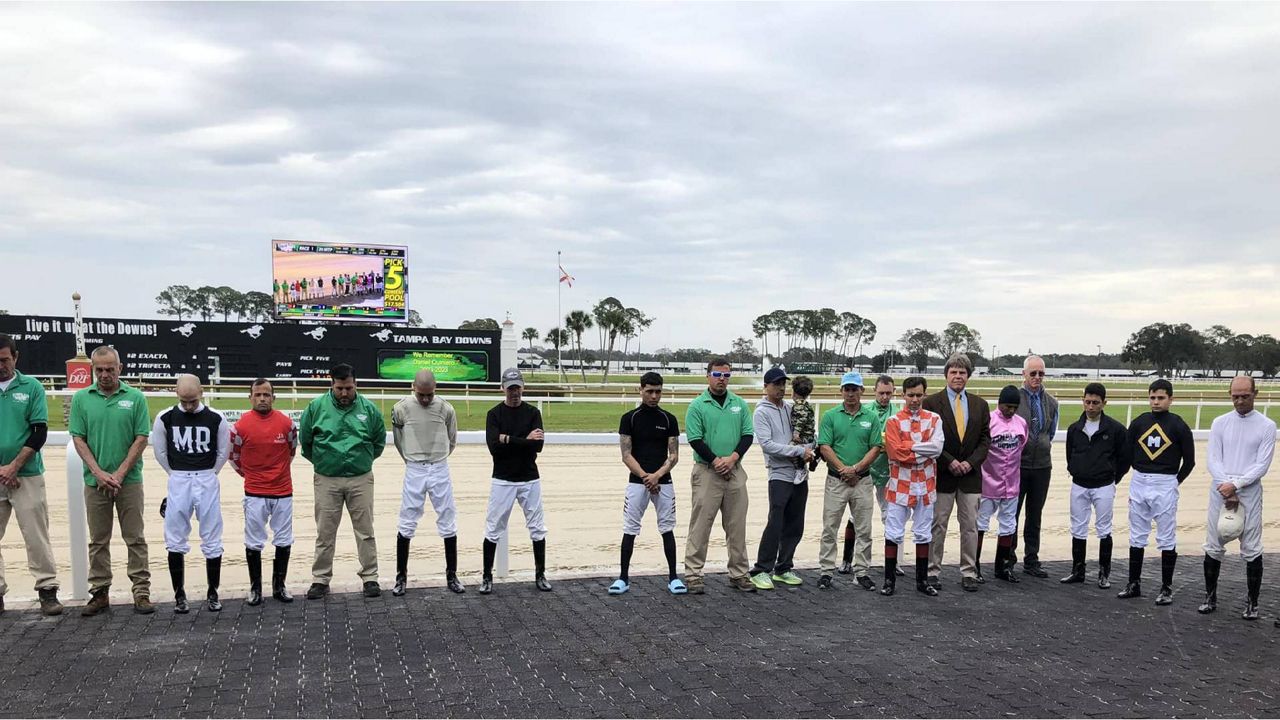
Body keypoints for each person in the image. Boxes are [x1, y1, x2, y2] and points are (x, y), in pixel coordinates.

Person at [70, 346, 154, 615]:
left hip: (128, 482)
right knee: (98, 540)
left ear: (120, 368)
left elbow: (141, 437)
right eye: (99, 370)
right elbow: (78, 438)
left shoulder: (136, 397)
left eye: (109, 369)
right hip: (95, 483)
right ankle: (100, 592)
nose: (105, 374)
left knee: (135, 538)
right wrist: (98, 472)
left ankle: (141, 591)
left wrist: (118, 474)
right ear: (93, 369)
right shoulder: (82, 399)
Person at [300, 363, 386, 600]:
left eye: (348, 388)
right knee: (325, 532)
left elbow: (378, 441)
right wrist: (324, 462)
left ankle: (370, 577)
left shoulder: (368, 409)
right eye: (339, 388)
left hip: (360, 478)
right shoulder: (316, 407)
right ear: (332, 384)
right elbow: (305, 442)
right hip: (327, 479)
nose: (345, 393)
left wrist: (362, 460)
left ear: (355, 384)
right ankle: (320, 579)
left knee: (365, 531)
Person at [152, 375, 231, 613]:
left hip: (207, 477)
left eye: (193, 401)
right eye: (184, 401)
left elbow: (223, 452)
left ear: (202, 392)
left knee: (212, 534)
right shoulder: (164, 418)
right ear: (176, 393)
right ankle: (180, 596)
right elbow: (160, 452)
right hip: (178, 478)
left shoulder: (217, 418)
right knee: (174, 536)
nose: (188, 406)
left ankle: (213, 593)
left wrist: (208, 474)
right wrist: (175, 474)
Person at [1201, 376, 1275, 620]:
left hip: (1249, 489)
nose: (1240, 400)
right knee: (1213, 544)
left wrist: (1236, 485)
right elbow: (1213, 458)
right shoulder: (1220, 422)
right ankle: (1210, 597)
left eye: (1245, 396)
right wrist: (1226, 486)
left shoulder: (1266, 426)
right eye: (1235, 396)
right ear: (1229, 394)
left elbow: (1262, 464)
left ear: (1256, 393)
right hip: (1220, 488)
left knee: (1252, 548)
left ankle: (1252, 604)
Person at [0, 334, 62, 616]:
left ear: (15, 357)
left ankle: (47, 590)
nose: (0, 365)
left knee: (36, 536)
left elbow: (39, 432)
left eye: (4, 360)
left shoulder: (32, 387)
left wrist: (13, 466)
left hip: (27, 475)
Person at [1119, 379, 1195, 605]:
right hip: (1139, 481)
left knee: (1166, 536)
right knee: (1137, 534)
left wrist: (1173, 482)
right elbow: (1127, 452)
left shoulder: (1179, 425)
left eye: (1161, 398)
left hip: (1166, 483)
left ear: (1171, 399)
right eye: (1152, 397)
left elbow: (1189, 462)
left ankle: (1166, 588)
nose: (1156, 402)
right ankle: (1134, 583)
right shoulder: (1139, 422)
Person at [683, 359, 755, 594]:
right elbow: (695, 438)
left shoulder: (739, 404)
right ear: (708, 376)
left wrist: (732, 459)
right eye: (717, 374)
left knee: (736, 527)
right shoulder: (697, 405)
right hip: (707, 472)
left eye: (726, 375)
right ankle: (693, 574)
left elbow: (747, 435)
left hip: (734, 472)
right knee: (701, 526)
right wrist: (716, 461)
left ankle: (739, 573)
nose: (721, 379)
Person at [610, 372, 684, 595]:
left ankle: (673, 577)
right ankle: (623, 577)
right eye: (650, 391)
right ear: (640, 389)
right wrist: (646, 476)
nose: (654, 396)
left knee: (667, 528)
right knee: (630, 529)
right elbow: (626, 454)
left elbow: (674, 455)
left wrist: (657, 475)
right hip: (637, 482)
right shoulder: (629, 418)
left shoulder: (668, 419)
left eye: (658, 391)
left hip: (664, 482)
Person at [391, 369, 464, 596]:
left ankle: (452, 575)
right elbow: (398, 441)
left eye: (429, 395)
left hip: (439, 467)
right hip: (414, 468)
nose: (425, 399)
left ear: (435, 389)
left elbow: (452, 439)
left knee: (447, 518)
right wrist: (413, 460)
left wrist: (437, 458)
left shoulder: (446, 408)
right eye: (421, 394)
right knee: (407, 520)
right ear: (413, 386)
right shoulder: (400, 408)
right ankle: (401, 577)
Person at [923, 353, 991, 592]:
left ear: (968, 376)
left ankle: (969, 572)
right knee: (938, 524)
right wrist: (949, 461)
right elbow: (928, 439)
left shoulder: (980, 405)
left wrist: (970, 463)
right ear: (946, 375)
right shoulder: (930, 403)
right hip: (943, 474)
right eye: (954, 372)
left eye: (962, 372)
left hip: (970, 476)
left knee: (970, 526)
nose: (958, 376)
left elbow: (985, 440)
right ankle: (932, 571)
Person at [480, 368, 549, 594]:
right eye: (510, 388)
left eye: (517, 387)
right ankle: (487, 576)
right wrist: (523, 440)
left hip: (529, 478)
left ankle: (540, 574)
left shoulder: (532, 413)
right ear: (503, 388)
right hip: (502, 479)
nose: (514, 392)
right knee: (493, 528)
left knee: (537, 528)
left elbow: (537, 446)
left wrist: (507, 439)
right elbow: (494, 448)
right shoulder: (494, 414)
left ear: (523, 387)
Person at [230, 378, 298, 605]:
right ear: (250, 397)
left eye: (266, 395)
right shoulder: (240, 426)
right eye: (257, 395)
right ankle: (255, 589)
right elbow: (234, 457)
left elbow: (291, 452)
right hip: (254, 492)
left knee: (284, 539)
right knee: (253, 541)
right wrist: (251, 476)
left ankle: (280, 586)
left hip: (283, 492)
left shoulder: (287, 424)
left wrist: (276, 474)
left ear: (273, 397)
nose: (262, 399)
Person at [816, 371, 882, 590]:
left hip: (862, 481)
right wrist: (844, 469)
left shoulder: (870, 417)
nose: (851, 393)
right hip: (837, 480)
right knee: (830, 528)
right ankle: (826, 571)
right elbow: (825, 446)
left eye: (855, 389)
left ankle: (861, 571)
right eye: (847, 389)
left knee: (864, 529)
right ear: (842, 390)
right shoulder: (831, 416)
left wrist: (856, 469)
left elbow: (876, 447)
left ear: (861, 391)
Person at [880, 376, 945, 596]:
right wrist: (920, 451)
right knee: (893, 532)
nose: (915, 399)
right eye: (911, 395)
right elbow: (895, 452)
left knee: (923, 533)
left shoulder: (934, 419)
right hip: (899, 486)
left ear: (924, 394)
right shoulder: (893, 421)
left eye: (919, 395)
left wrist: (910, 448)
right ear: (903, 395)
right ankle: (889, 581)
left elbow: (937, 449)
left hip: (926, 486)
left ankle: (922, 581)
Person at [750, 367, 813, 590]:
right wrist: (797, 451)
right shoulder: (761, 412)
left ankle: (783, 567)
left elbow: (804, 434)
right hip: (779, 475)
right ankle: (760, 569)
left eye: (783, 384)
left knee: (795, 524)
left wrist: (808, 447)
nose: (781, 388)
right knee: (775, 524)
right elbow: (767, 445)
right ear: (766, 386)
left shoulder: (791, 408)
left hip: (799, 474)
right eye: (776, 384)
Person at [1061, 382, 1129, 588]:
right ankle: (1077, 570)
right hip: (1079, 485)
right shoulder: (1074, 429)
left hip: (1104, 486)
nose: (1090, 407)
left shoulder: (1116, 429)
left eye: (1095, 403)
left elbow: (1124, 458)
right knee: (1078, 528)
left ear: (1104, 403)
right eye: (1087, 402)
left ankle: (1103, 574)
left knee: (1104, 528)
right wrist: (1075, 469)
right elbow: (1069, 454)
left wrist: (1112, 477)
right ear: (1083, 401)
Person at [843, 375, 903, 577]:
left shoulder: (899, 413)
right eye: (881, 393)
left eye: (888, 393)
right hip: (865, 472)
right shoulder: (864, 410)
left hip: (889, 473)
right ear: (874, 391)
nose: (885, 397)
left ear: (893, 392)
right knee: (856, 516)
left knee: (891, 516)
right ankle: (846, 560)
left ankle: (893, 562)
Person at [1011, 355, 1059, 579]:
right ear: (1024, 374)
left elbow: (1049, 433)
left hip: (1042, 466)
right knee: (1012, 513)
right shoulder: (1015, 399)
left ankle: (1032, 558)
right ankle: (1007, 558)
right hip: (1017, 465)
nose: (1037, 377)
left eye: (1041, 373)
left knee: (1035, 515)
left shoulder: (1051, 402)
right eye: (1033, 373)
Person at [974, 386, 1028, 584]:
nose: (1011, 410)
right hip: (987, 483)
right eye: (1007, 406)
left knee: (1008, 525)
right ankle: (975, 566)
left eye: (1014, 407)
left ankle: (1003, 566)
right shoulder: (988, 421)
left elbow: (1021, 447)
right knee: (981, 524)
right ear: (999, 403)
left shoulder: (1021, 423)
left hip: (1012, 484)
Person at [791, 376, 820, 472]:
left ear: (794, 393)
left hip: (804, 437)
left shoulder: (799, 405)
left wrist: (796, 433)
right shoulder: (806, 404)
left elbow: (802, 419)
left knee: (790, 447)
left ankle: (799, 469)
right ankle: (815, 452)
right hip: (810, 435)